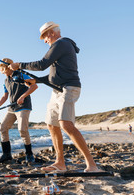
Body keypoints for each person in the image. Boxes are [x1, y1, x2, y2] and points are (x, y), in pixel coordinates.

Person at [9, 21, 101, 172]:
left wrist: (19, 65)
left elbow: (41, 64)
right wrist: (36, 80)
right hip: (57, 90)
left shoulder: (61, 44)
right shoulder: (58, 47)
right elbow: (52, 76)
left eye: (44, 37)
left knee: (66, 124)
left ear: (51, 33)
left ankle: (92, 165)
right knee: (51, 124)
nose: (44, 40)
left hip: (68, 89)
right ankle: (60, 163)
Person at [0, 58, 38, 163]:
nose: (3, 73)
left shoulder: (21, 74)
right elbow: (5, 96)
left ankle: (29, 155)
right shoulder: (6, 80)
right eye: (2, 72)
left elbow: (34, 86)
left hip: (23, 106)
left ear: (9, 67)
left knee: (22, 130)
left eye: (4, 71)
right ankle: (7, 155)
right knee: (3, 127)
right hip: (12, 108)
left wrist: (22, 96)